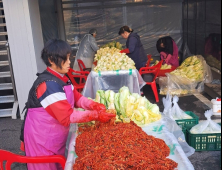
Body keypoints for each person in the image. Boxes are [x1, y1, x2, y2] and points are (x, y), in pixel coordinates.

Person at [20, 39, 115, 170]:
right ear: (52, 60)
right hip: (42, 139)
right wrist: (96, 115)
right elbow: (67, 117)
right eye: (66, 58)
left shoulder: (62, 78)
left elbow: (76, 97)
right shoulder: (47, 84)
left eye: (70, 57)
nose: (70, 62)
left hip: (54, 135)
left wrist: (93, 105)